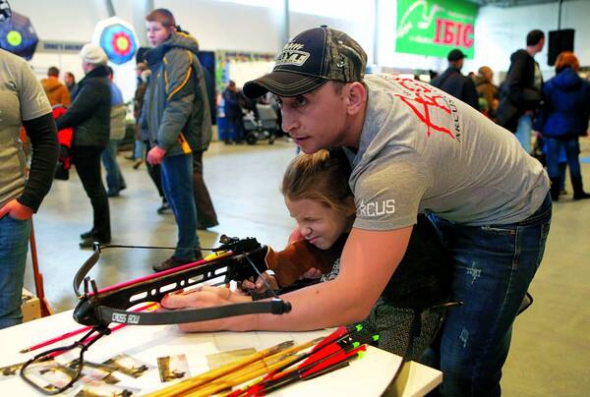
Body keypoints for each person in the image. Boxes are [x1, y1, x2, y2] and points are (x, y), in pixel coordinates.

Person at [162, 27, 552, 397]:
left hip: (506, 216)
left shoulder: (393, 163)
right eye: (281, 104)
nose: (287, 123)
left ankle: (497, 302)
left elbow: (353, 299)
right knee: (432, 338)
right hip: (445, 194)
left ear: (351, 97)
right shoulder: (357, 100)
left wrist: (240, 313)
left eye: (301, 101)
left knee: (462, 366)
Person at [231, 149, 453, 358]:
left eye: (311, 220)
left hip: (407, 311)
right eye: (297, 219)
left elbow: (340, 288)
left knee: (389, 369)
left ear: (349, 206)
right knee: (336, 350)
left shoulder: (385, 226)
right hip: (368, 309)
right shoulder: (330, 229)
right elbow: (304, 270)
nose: (303, 229)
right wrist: (272, 281)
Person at [143, 8, 211, 271]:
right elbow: (154, 102)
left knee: (180, 197)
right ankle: (191, 247)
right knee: (176, 196)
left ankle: (185, 253)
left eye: (156, 29)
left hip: (177, 141)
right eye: (148, 29)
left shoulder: (179, 56)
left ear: (171, 29)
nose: (151, 34)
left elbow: (179, 103)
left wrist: (161, 143)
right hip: (169, 140)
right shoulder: (164, 58)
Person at [0, 46, 58, 328]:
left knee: (6, 312)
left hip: (6, 213)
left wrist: (29, 200)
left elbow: (46, 139)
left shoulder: (14, 68)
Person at [56, 43, 112, 248]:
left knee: (95, 189)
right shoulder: (99, 81)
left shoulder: (94, 84)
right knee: (95, 188)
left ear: (88, 63)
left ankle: (101, 233)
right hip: (91, 140)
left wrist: (53, 125)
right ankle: (99, 229)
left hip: (88, 142)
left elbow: (75, 113)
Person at [535, 51, 590, 201]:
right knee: (573, 159)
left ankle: (554, 194)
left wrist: (538, 127)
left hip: (552, 128)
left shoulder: (550, 84)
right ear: (575, 65)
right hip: (572, 127)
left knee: (552, 160)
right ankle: (578, 191)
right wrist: (584, 128)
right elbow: (585, 110)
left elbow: (544, 109)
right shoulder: (584, 85)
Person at [497, 29, 545, 153]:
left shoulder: (531, 61)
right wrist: (525, 105)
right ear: (541, 41)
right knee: (523, 152)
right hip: (518, 113)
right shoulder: (522, 58)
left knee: (521, 151)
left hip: (522, 112)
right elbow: (512, 85)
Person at [101, 66, 127, 197]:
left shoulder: (107, 88)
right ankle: (120, 183)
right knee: (112, 159)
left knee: (108, 161)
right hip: (117, 129)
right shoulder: (115, 87)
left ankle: (113, 188)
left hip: (110, 130)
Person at [222, 80, 245, 144]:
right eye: (233, 86)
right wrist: (238, 102)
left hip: (235, 111)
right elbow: (229, 101)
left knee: (236, 125)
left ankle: (238, 139)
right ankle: (227, 140)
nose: (234, 87)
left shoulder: (234, 91)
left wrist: (238, 93)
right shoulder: (227, 92)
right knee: (228, 126)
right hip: (229, 111)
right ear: (230, 86)